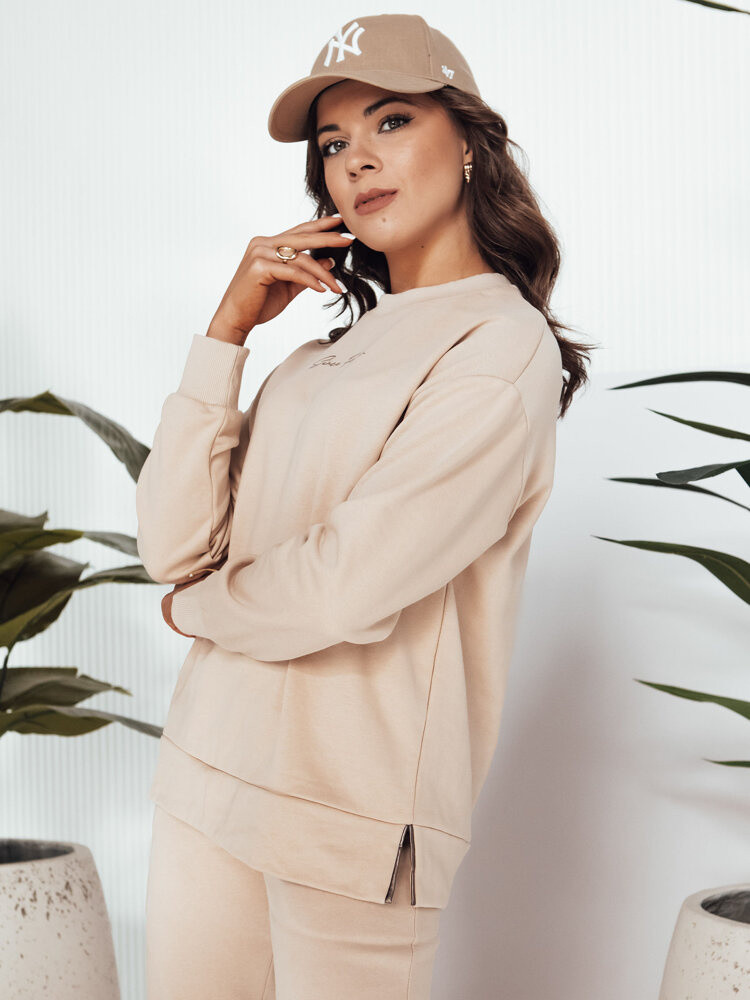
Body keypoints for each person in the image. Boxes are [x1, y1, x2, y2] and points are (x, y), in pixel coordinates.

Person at [137, 12, 594, 999]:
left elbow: (347, 585)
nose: (357, 160)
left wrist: (196, 612)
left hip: (348, 818)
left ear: (470, 144)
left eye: (392, 122)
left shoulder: (497, 345)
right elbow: (172, 545)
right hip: (206, 771)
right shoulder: (316, 358)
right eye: (334, 143)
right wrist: (226, 335)